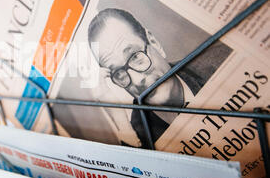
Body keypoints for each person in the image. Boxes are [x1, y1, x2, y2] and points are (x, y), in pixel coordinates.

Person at [88, 8, 231, 149]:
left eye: (136, 56)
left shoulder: (221, 61)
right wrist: (119, 119)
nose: (137, 81)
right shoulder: (139, 139)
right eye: (119, 73)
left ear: (154, 42)